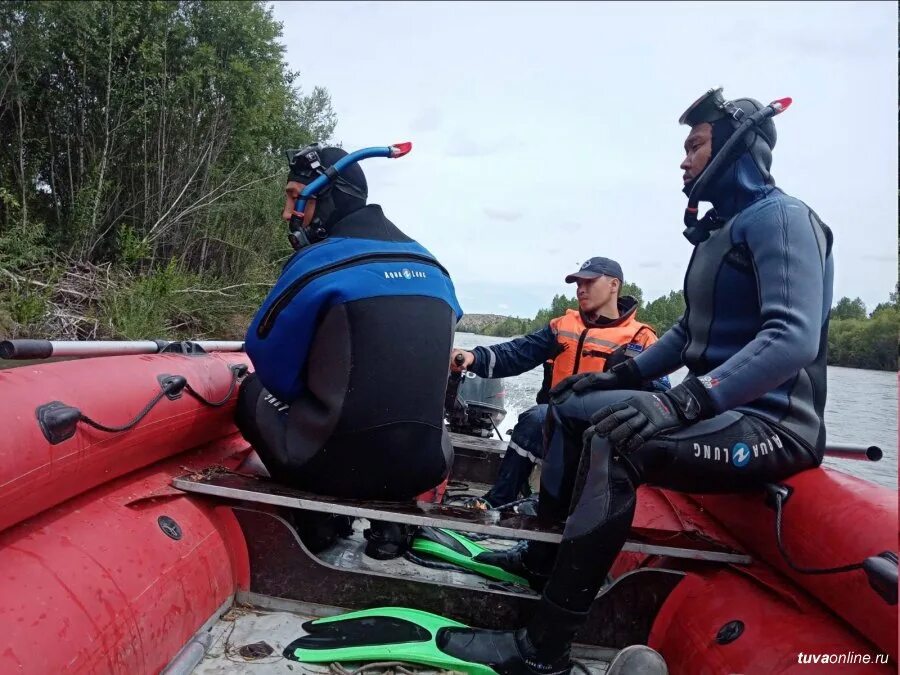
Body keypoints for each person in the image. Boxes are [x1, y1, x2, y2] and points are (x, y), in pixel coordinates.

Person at [438, 88, 833, 673]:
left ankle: (542, 648)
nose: (684, 160)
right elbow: (686, 335)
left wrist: (680, 403)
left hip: (774, 425)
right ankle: (543, 562)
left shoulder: (782, 219)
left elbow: (792, 338)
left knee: (615, 438)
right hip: (721, 413)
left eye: (696, 146)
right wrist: (609, 379)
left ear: (737, 148)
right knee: (569, 409)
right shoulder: (723, 232)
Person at [236, 144, 463, 558]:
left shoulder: (317, 264)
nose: (289, 213)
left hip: (332, 468)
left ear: (324, 197)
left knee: (250, 392)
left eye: (293, 197)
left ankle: (320, 521)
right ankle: (392, 521)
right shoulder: (435, 267)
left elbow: (269, 363)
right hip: (425, 464)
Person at [451, 257, 668, 509]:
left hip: (607, 435)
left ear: (613, 285)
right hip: (556, 425)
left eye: (589, 281)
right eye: (578, 283)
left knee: (541, 418)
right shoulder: (562, 327)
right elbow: (518, 352)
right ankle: (498, 503)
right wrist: (473, 357)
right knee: (536, 419)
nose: (580, 289)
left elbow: (659, 400)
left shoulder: (641, 339)